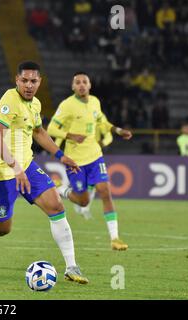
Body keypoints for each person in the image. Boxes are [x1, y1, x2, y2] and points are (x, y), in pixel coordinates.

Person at [0, 61, 89, 284]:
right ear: (17, 80)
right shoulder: (9, 100)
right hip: (2, 170)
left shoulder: (35, 104)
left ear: (40, 82)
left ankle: (71, 266)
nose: (29, 85)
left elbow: (38, 132)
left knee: (56, 206)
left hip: (26, 165)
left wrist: (61, 156)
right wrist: (15, 168)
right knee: (1, 229)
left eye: (33, 81)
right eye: (24, 80)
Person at [47, 71, 132, 251]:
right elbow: (51, 128)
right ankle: (61, 189)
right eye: (77, 82)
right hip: (75, 161)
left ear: (90, 85)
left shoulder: (95, 102)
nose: (81, 85)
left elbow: (103, 122)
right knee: (83, 201)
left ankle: (114, 238)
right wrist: (69, 135)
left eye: (84, 82)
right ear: (73, 87)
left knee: (105, 191)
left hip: (95, 156)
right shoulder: (67, 105)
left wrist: (117, 131)